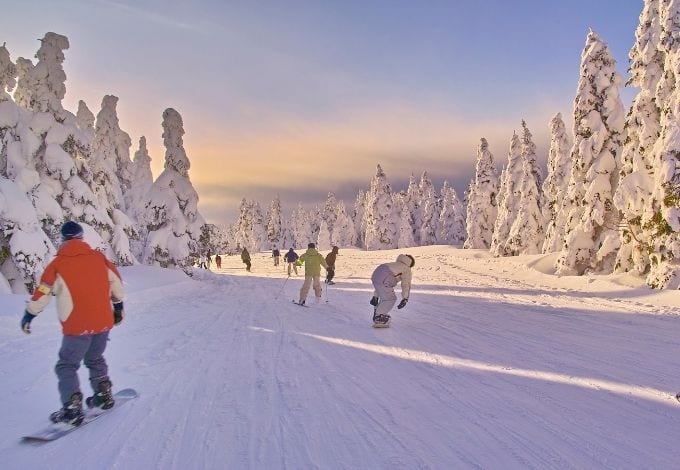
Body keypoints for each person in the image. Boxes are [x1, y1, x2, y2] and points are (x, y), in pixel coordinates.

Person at [20, 221, 125, 425]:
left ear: (63, 239)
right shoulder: (98, 258)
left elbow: (42, 292)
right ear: (81, 237)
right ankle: (103, 395)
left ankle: (72, 407)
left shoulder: (57, 265)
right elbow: (116, 283)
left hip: (77, 327)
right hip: (103, 323)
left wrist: (29, 315)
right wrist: (118, 308)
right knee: (95, 359)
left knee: (67, 365)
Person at [370, 254, 415, 325]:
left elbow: (381, 282)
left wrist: (375, 296)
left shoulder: (396, 264)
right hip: (385, 277)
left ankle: (378, 312)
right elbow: (405, 284)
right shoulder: (406, 268)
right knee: (390, 299)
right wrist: (405, 298)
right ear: (410, 264)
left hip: (376, 274)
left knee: (384, 296)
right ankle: (378, 316)